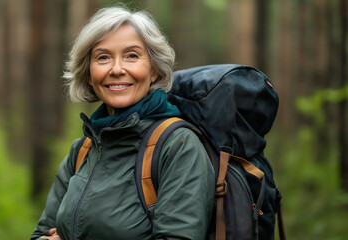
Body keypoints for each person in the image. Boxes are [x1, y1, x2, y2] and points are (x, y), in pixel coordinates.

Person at [31, 5, 215, 240]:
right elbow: (40, 234)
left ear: (155, 70)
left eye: (132, 56)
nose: (117, 69)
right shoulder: (82, 150)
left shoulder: (177, 146)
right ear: (88, 73)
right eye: (103, 57)